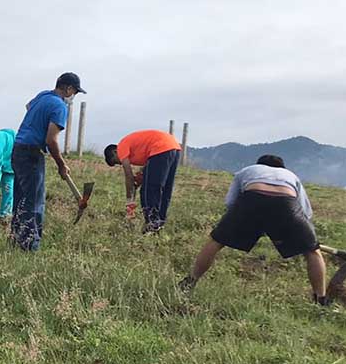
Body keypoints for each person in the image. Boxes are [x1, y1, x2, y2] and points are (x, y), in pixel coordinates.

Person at [181, 155, 329, 305]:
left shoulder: (247, 171)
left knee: (216, 241)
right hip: (286, 203)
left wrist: (249, 223)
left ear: (259, 165)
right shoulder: (291, 176)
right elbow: (305, 212)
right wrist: (299, 237)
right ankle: (321, 298)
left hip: (252, 199)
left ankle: (190, 281)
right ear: (282, 168)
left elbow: (231, 203)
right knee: (313, 251)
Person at [10, 72, 85, 251]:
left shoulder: (43, 95)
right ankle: (29, 246)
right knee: (34, 202)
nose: (73, 96)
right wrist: (61, 164)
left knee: (20, 200)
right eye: (74, 91)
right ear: (68, 88)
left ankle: (15, 240)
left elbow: (29, 107)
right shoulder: (59, 106)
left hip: (18, 149)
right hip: (32, 154)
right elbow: (51, 140)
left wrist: (37, 122)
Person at [104, 129, 182, 233]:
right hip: (173, 147)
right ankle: (159, 222)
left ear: (115, 152)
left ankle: (151, 223)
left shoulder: (122, 147)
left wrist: (129, 202)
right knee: (165, 188)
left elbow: (128, 175)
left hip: (160, 147)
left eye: (116, 161)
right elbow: (149, 167)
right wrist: (140, 178)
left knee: (148, 190)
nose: (120, 163)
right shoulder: (135, 148)